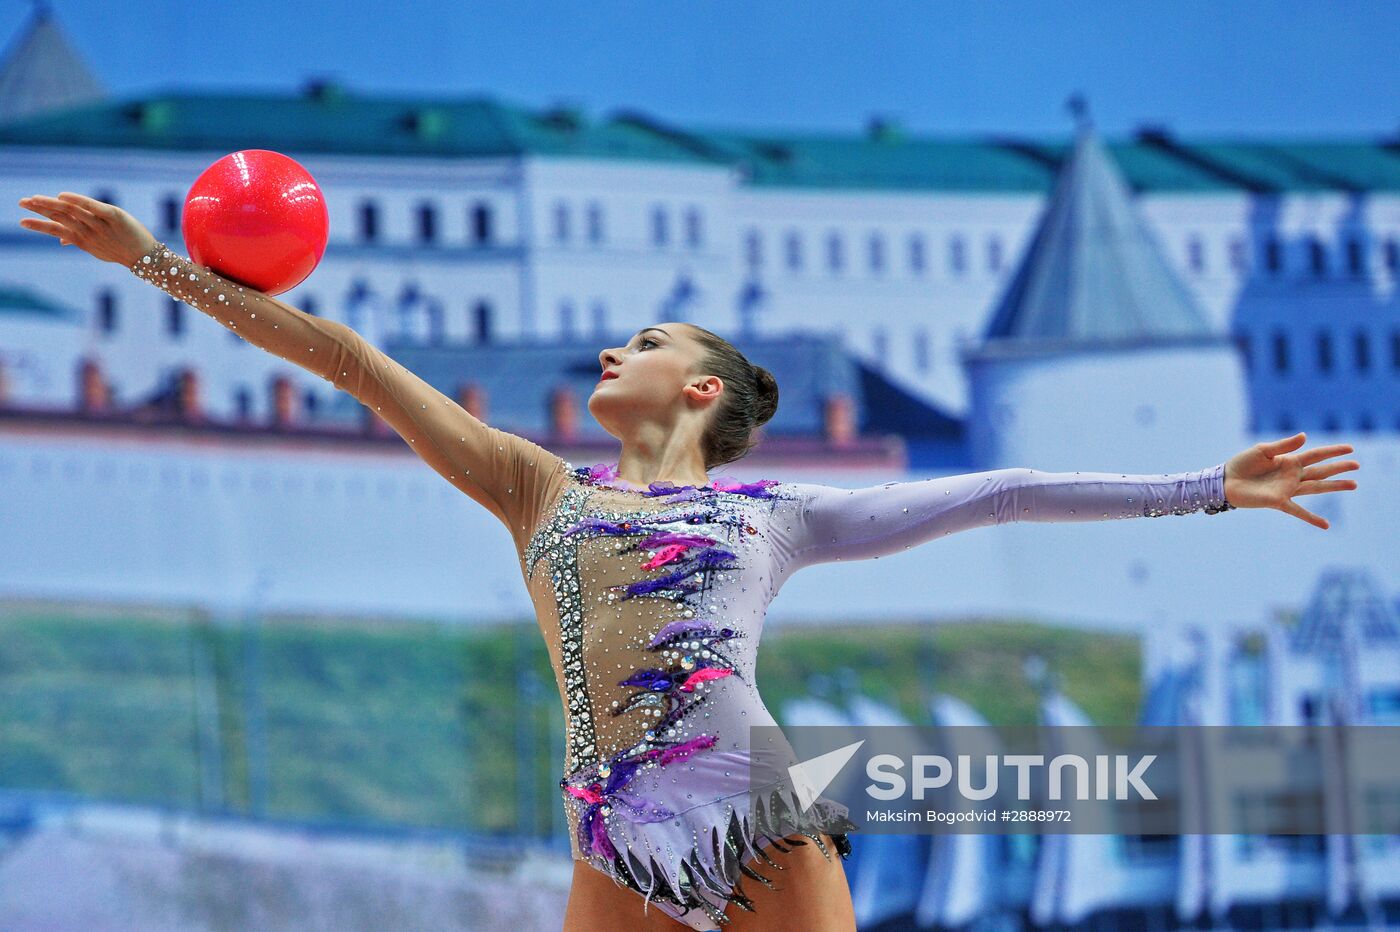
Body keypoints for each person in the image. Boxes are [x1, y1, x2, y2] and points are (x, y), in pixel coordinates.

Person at [18, 192, 1360, 931]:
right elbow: (355, 364)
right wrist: (151, 263)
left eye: (649, 341)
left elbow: (1000, 491)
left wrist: (1206, 489)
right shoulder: (534, 488)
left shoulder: (772, 518)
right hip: (607, 833)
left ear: (706, 392)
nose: (617, 352)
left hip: (757, 818)